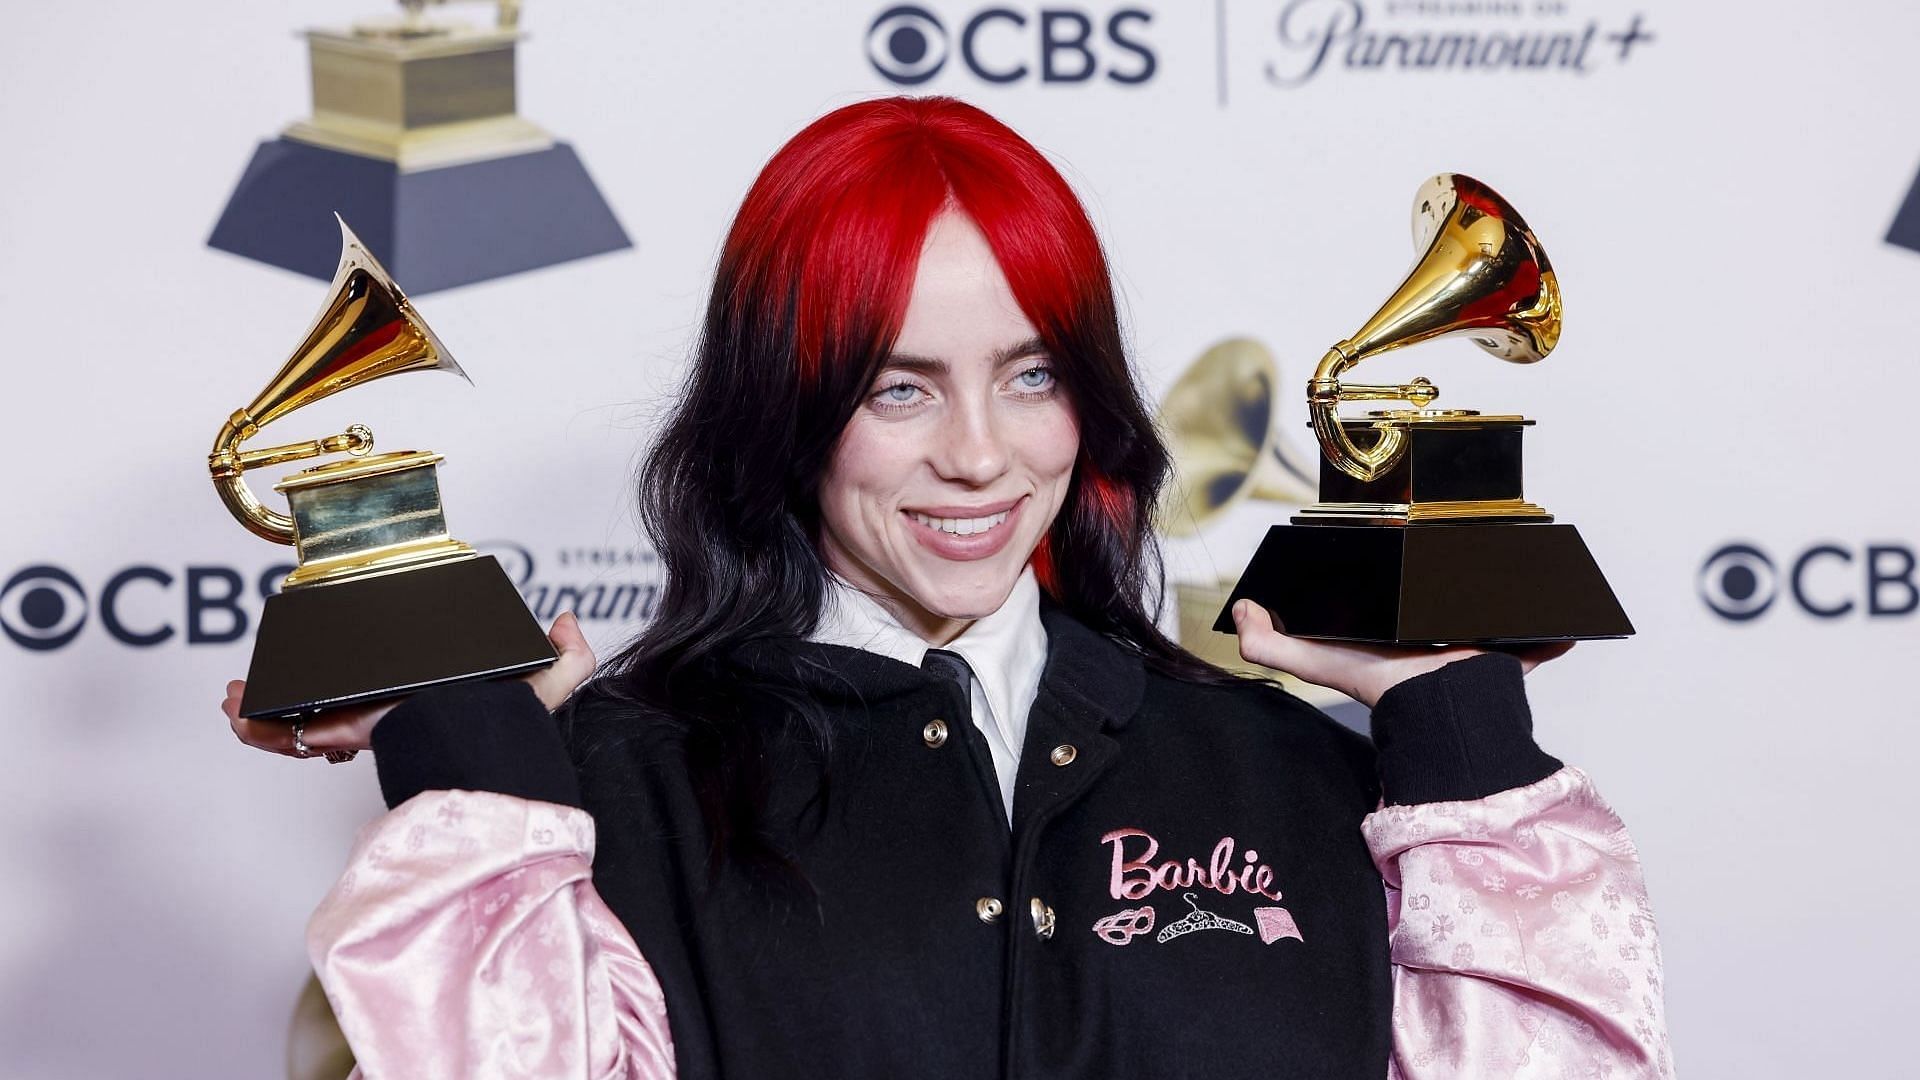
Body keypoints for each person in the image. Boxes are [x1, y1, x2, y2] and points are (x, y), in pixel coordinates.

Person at [225, 96, 1674, 1079]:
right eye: (899, 387)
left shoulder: (1300, 773)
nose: (980, 457)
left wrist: (1452, 730)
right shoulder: (617, 783)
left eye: (1031, 374)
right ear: (784, 407)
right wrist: (475, 774)